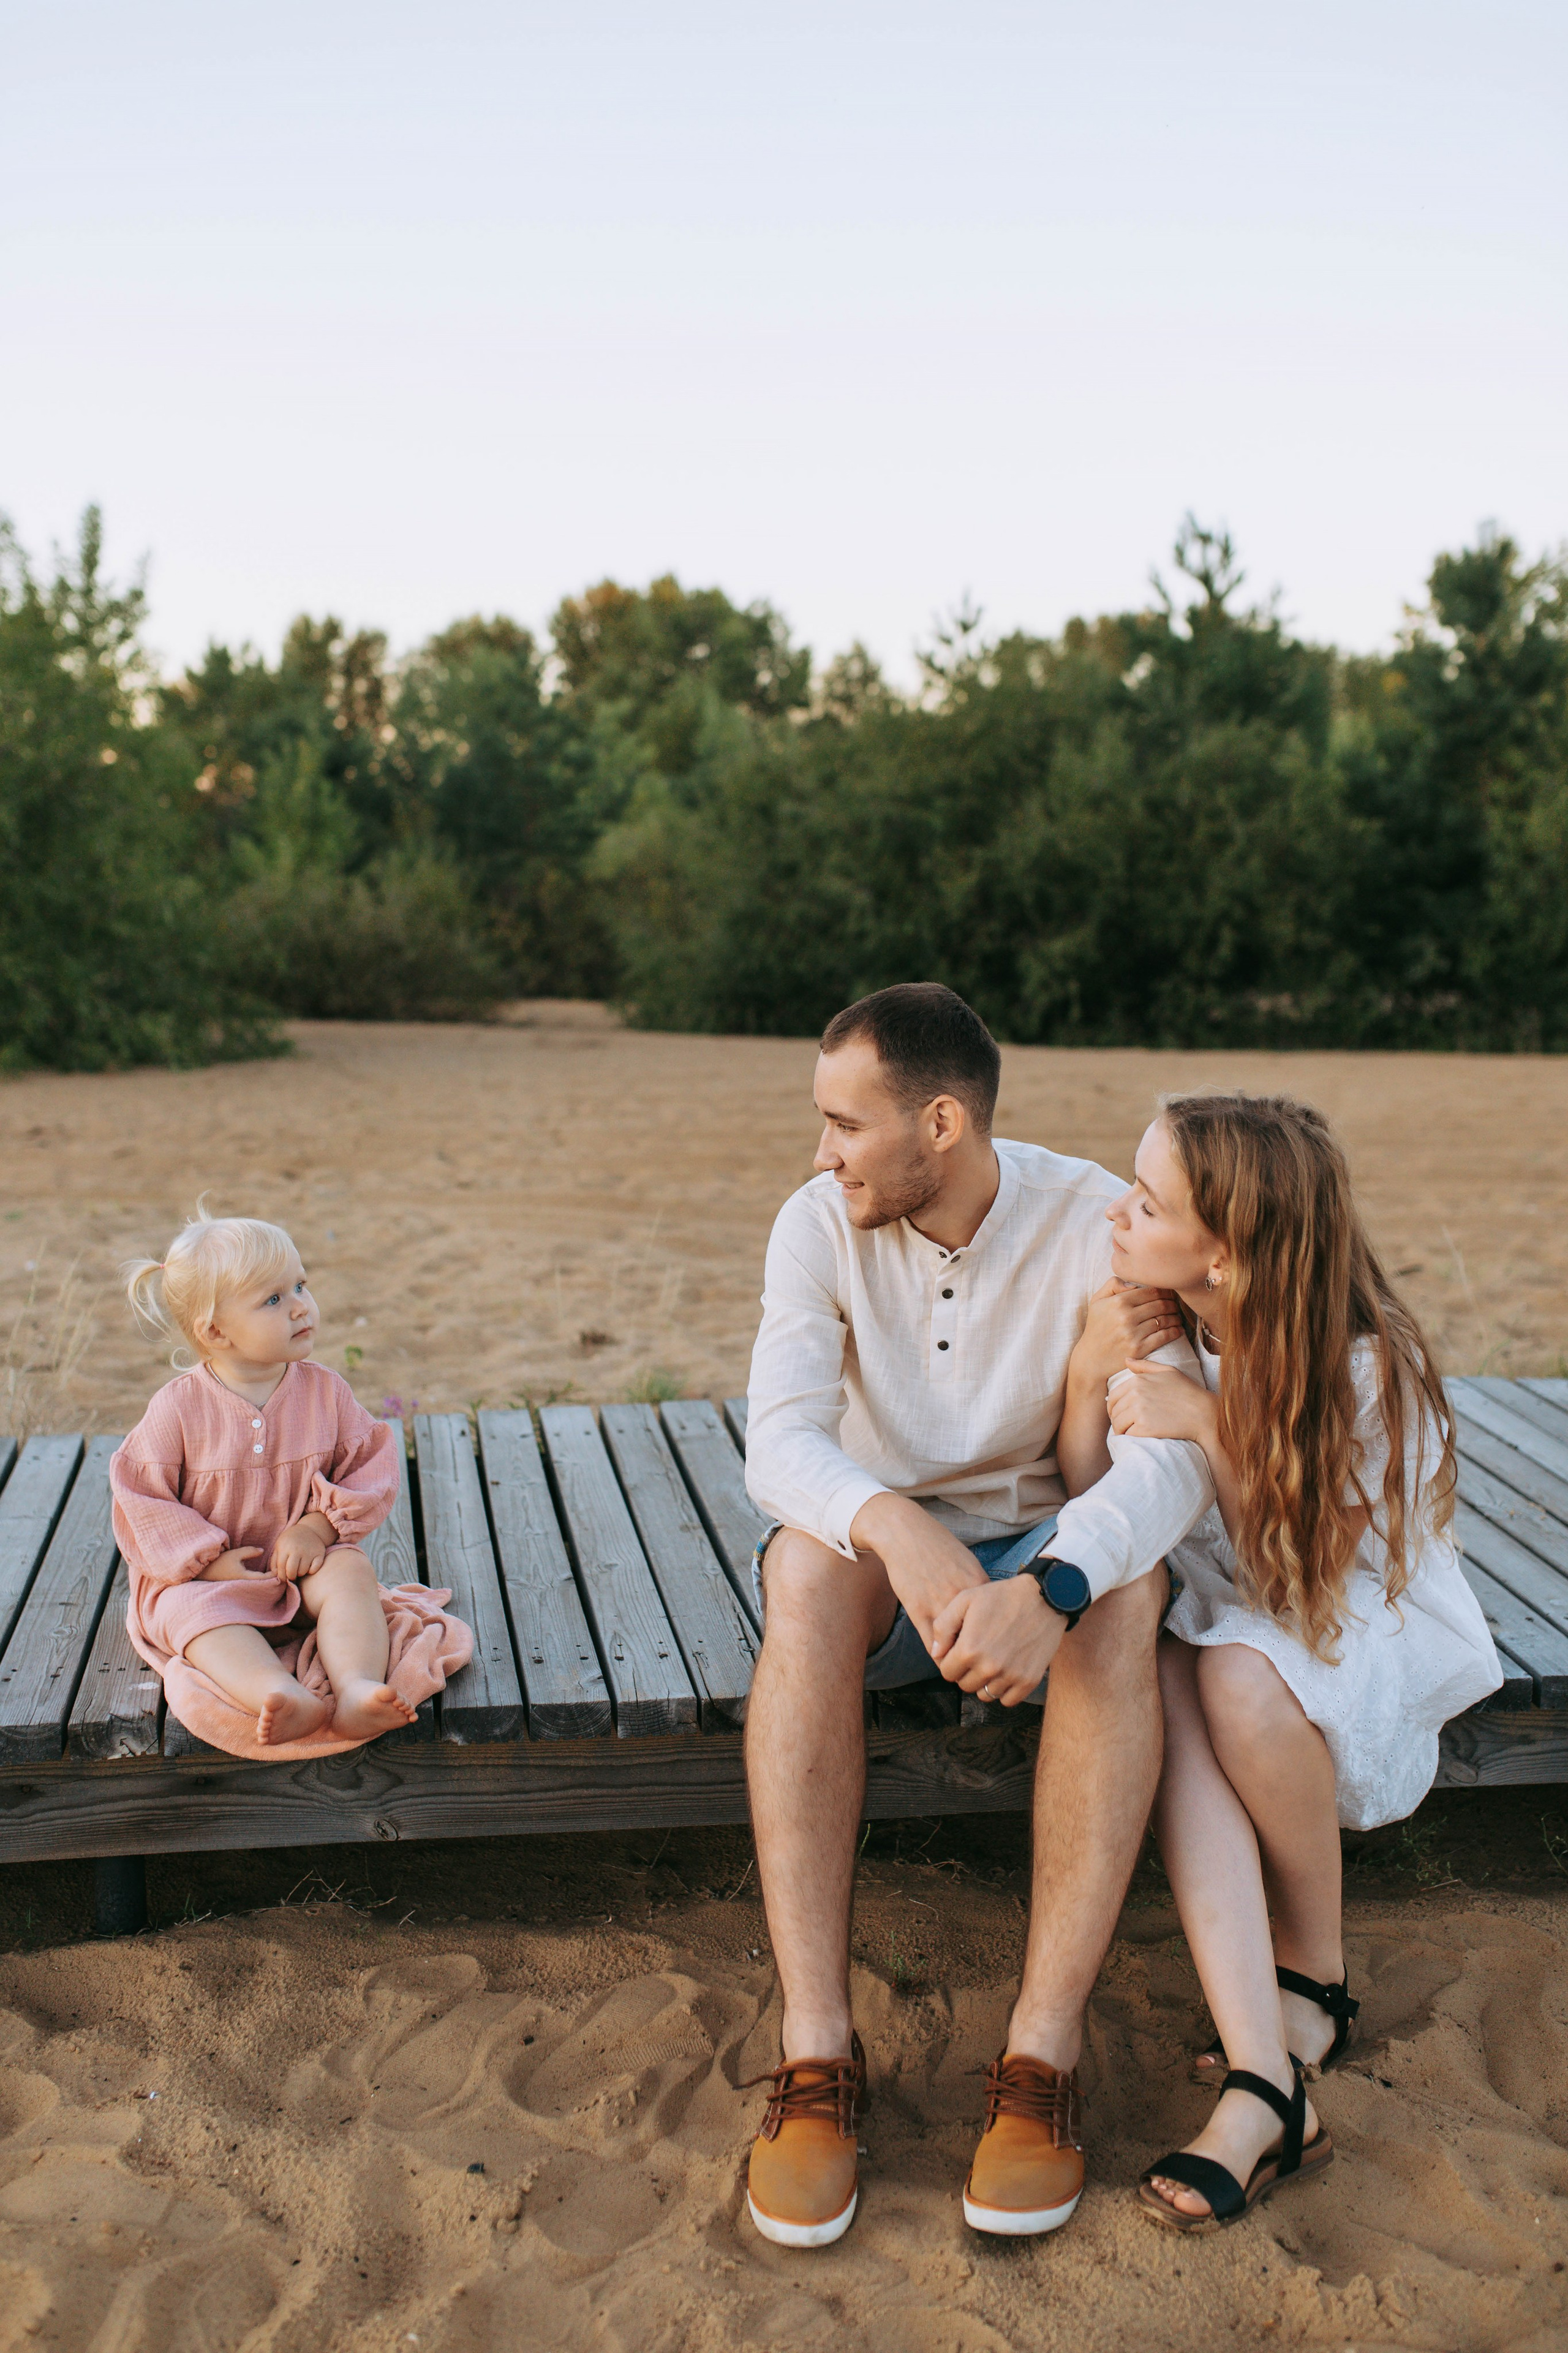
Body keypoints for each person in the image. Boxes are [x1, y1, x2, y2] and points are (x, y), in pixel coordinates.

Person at [739, 983, 1221, 2248]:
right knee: (800, 1568)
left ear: (938, 1121)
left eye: (844, 1123)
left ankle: (1039, 2058)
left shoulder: (1088, 1224)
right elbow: (777, 1440)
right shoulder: (814, 1225)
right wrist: (893, 1528)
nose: (820, 1151)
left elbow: (1167, 1460)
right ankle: (814, 2051)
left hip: (1041, 1548)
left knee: (1129, 1594)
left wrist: (1052, 1583)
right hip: (882, 1555)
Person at [1065, 1094, 1501, 2230]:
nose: (1119, 1211)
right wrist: (1086, 1375)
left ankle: (1314, 1964)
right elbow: (1089, 1487)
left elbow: (1311, 1574)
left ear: (1227, 1250)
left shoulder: (1366, 1364)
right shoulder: (1167, 1320)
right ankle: (1267, 2075)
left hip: (1347, 1609)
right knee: (1175, 1670)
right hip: (1223, 1602)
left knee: (1239, 1678)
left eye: (1149, 1203)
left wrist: (1209, 1428)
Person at [111, 1209, 472, 1759]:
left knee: (351, 1571)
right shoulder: (177, 1409)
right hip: (205, 1582)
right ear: (215, 1331)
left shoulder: (325, 1392)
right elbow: (141, 1500)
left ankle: (354, 1686)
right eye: (273, 1300)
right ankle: (276, 1691)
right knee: (195, 1621)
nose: (301, 1305)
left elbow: (370, 1464)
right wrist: (206, 1562)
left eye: (301, 1284)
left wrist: (317, 1527)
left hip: (299, 1571)